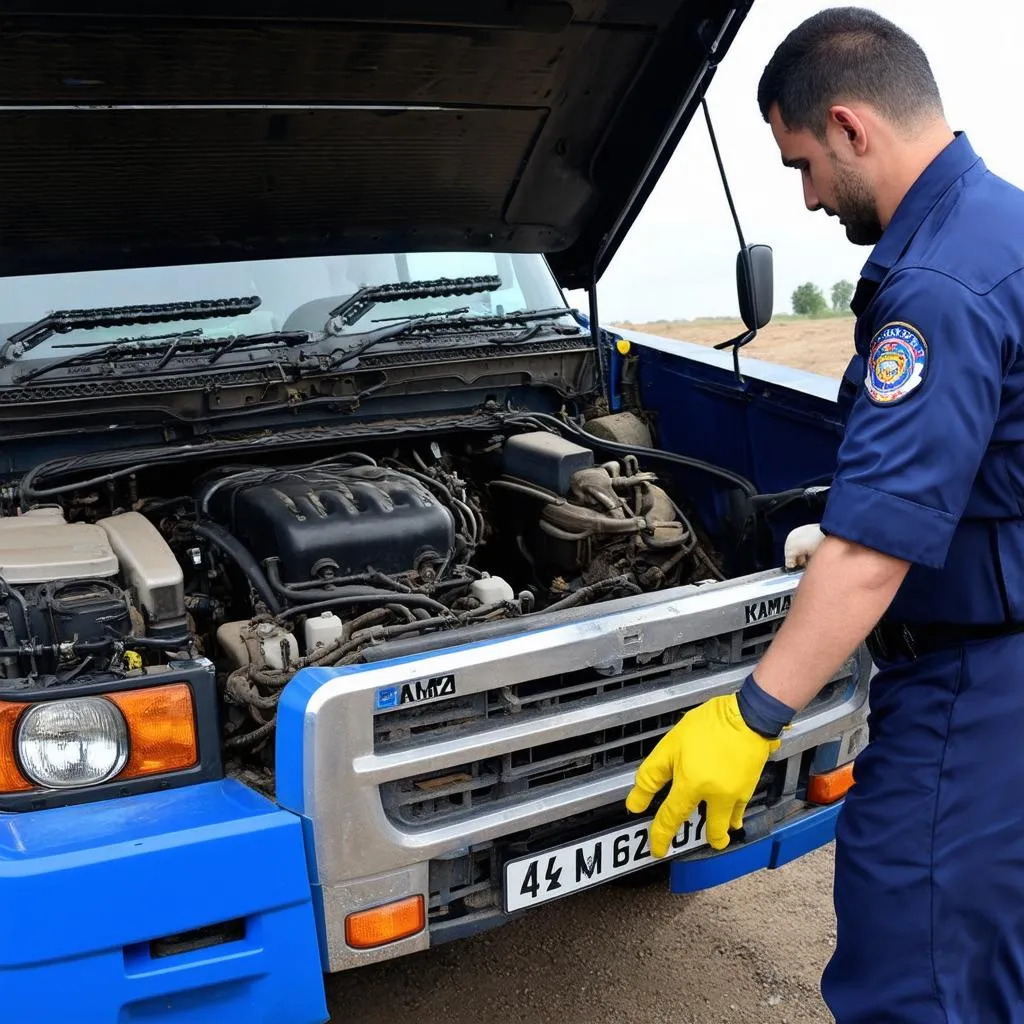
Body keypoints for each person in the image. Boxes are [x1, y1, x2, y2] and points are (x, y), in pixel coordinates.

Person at [625, 7, 1024, 1021]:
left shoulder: (935, 285)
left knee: (915, 971)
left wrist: (752, 714)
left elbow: (875, 549)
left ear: (850, 125)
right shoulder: (1002, 226)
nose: (804, 197)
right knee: (988, 961)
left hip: (973, 688)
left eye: (800, 163)